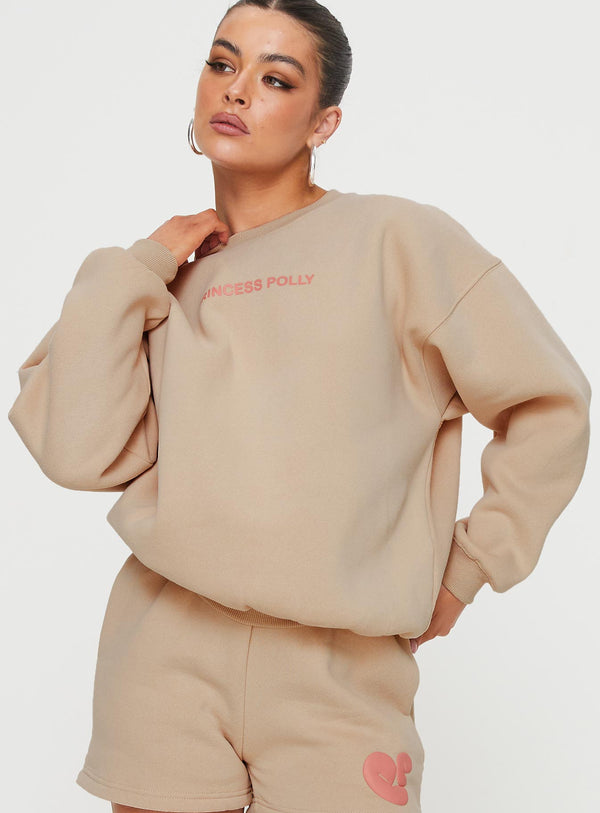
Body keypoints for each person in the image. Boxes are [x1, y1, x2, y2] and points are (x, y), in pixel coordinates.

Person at [7, 1, 592, 811]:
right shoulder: (157, 279)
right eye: (223, 63)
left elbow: (551, 402)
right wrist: (137, 265)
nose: (237, 89)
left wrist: (472, 566)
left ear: (324, 122)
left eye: (276, 78)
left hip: (342, 671)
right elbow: (75, 451)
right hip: (164, 655)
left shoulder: (397, 239)